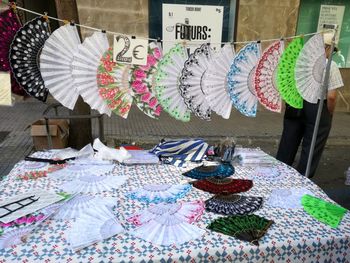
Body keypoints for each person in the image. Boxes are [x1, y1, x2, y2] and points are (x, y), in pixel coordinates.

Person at [276, 32, 344, 178]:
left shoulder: (301, 62)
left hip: (295, 104)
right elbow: (331, 97)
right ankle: (302, 180)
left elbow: (288, 83)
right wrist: (330, 112)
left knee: (288, 141)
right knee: (312, 146)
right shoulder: (330, 66)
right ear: (327, 48)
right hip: (318, 107)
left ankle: (278, 173)